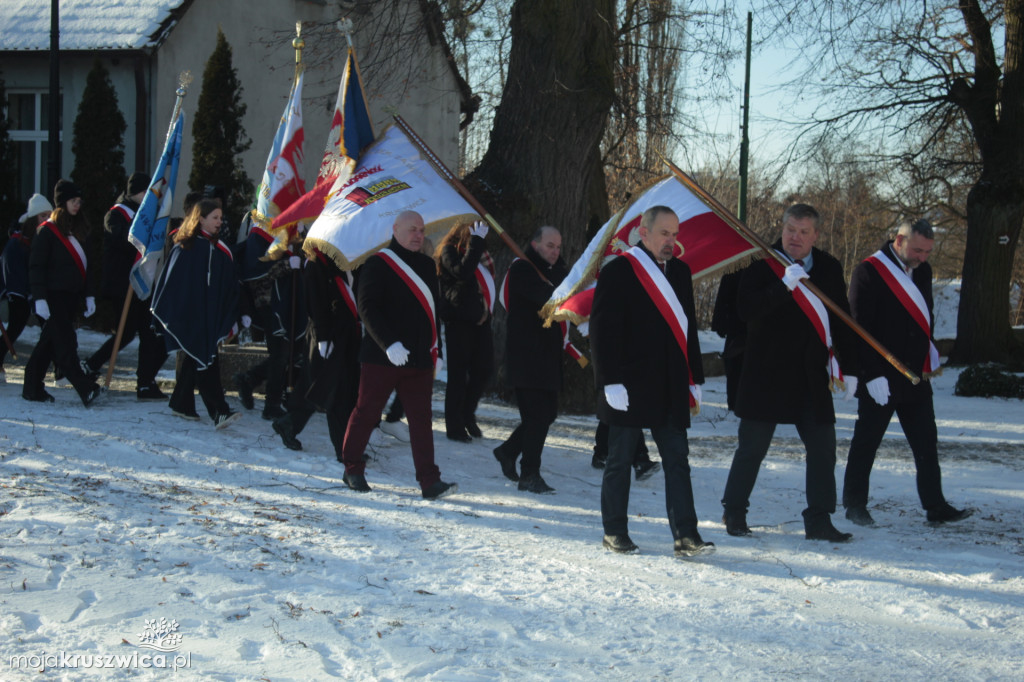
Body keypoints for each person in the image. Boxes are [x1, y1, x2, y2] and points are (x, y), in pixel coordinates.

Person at [721, 203, 859, 542]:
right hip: (765, 372)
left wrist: (852, 368)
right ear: (781, 229)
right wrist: (783, 285)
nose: (794, 238)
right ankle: (735, 511)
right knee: (752, 448)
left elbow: (842, 319)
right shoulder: (760, 264)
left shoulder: (827, 267)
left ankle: (819, 519)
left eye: (803, 232)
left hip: (810, 374)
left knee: (823, 447)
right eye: (789, 230)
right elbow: (744, 311)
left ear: (815, 235)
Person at [590, 206, 711, 557]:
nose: (671, 241)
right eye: (664, 233)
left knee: (677, 459)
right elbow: (602, 329)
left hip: (670, 384)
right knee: (620, 459)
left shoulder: (681, 272)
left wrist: (694, 375)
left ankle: (686, 535)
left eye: (675, 234)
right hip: (627, 384)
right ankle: (614, 531)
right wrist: (609, 381)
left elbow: (687, 328)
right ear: (643, 233)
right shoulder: (620, 270)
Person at [843, 219, 970, 525]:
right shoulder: (869, 272)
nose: (922, 257)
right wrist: (870, 374)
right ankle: (854, 504)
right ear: (899, 240)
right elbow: (858, 328)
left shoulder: (922, 271)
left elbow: (923, 317)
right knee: (867, 442)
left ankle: (935, 505)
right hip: (880, 378)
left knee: (927, 442)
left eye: (927, 252)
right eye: (917, 250)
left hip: (914, 376)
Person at [338, 210, 457, 500]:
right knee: (366, 413)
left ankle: (429, 481)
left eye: (421, 230)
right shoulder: (377, 264)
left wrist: (436, 350)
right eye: (413, 229)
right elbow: (367, 308)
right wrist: (389, 344)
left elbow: (433, 313)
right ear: (396, 229)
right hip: (382, 356)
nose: (419, 235)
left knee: (421, 420)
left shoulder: (429, 266)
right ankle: (352, 468)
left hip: (419, 358)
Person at [150, 198, 241, 429]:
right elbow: (173, 284)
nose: (219, 222)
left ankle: (181, 403)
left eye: (221, 218)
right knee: (205, 360)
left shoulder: (218, 248)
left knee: (195, 358)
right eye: (215, 218)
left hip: (208, 316)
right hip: (191, 316)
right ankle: (219, 411)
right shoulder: (186, 246)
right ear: (200, 219)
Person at [491, 226, 569, 493]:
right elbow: (548, 300)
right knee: (537, 416)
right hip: (527, 357)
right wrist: (561, 284)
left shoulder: (555, 271)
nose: (555, 252)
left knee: (547, 414)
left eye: (558, 247)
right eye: (550, 246)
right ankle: (529, 473)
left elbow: (567, 285)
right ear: (535, 244)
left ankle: (508, 451)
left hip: (547, 356)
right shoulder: (522, 269)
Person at [83, 172, 170, 400]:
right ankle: (93, 365)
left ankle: (144, 383)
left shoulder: (145, 214)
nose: (149, 197)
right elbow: (122, 240)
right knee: (127, 332)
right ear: (135, 193)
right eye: (145, 193)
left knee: (146, 333)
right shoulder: (116, 214)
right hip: (123, 284)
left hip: (142, 282)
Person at [272, 245, 361, 460]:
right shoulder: (316, 262)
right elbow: (315, 302)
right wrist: (322, 337)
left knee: (331, 387)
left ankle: (289, 425)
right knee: (329, 390)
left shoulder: (351, 258)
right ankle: (343, 449)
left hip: (348, 332)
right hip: (326, 334)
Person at [21, 180, 103, 406]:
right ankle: (85, 389)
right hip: (52, 297)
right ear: (62, 202)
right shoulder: (47, 231)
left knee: (49, 343)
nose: (77, 205)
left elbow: (87, 266)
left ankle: (32, 387)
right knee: (65, 344)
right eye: (73, 201)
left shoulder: (80, 228)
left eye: (79, 201)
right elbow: (36, 267)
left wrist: (89, 294)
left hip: (71, 297)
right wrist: (39, 298)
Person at [233, 220, 307, 421]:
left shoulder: (294, 230)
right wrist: (285, 265)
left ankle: (249, 379)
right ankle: (271, 403)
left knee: (290, 352)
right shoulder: (260, 231)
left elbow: (304, 260)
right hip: (269, 303)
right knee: (280, 353)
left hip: (291, 302)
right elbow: (256, 272)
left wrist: (299, 242)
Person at [436, 219, 494, 442]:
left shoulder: (479, 251)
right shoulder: (448, 251)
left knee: (483, 369)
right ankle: (454, 425)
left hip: (481, 319)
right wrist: (476, 243)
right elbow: (462, 271)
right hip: (459, 319)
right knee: (458, 375)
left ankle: (467, 413)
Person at [1, 193, 53, 383]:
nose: (47, 220)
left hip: (37, 291)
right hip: (20, 289)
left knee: (51, 327)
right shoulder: (16, 244)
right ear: (33, 219)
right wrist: (30, 295)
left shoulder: (43, 238)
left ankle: (60, 369)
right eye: (42, 216)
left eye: (49, 215)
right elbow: (13, 272)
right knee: (17, 324)